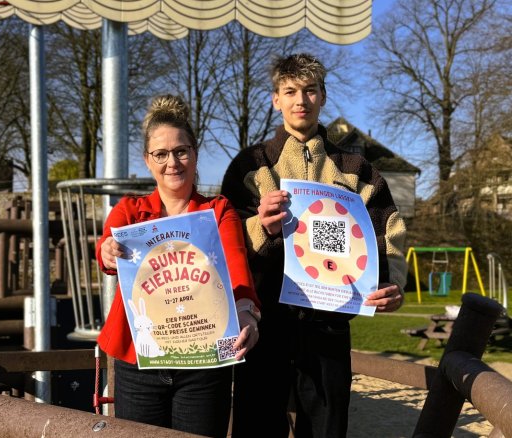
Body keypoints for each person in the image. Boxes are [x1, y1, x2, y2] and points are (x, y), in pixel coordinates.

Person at [220, 53, 408, 437]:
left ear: (323, 96)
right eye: (290, 91)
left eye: (309, 90)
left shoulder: (359, 170)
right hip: (264, 324)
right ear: (276, 99)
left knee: (326, 431)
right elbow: (225, 237)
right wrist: (260, 227)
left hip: (330, 327)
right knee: (256, 429)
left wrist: (394, 284)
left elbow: (388, 232)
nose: (300, 100)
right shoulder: (250, 165)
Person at [96, 94, 261, 436]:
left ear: (195, 154)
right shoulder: (129, 211)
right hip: (138, 361)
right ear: (148, 160)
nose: (172, 162)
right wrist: (108, 251)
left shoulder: (219, 210)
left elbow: (236, 266)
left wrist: (246, 311)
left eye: (181, 151)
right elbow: (106, 251)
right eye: (161, 154)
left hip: (203, 361)